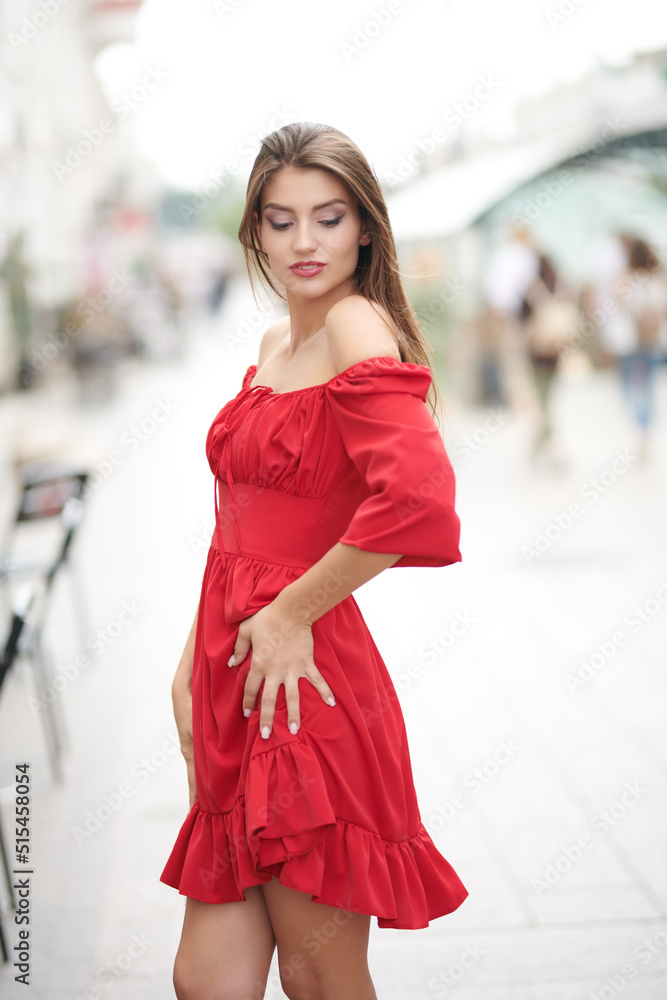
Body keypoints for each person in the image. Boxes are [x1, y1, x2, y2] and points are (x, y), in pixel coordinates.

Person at [160, 122, 468, 1000]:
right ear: (254, 229)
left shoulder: (355, 325)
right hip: (234, 677)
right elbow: (236, 533)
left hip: (303, 687)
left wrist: (291, 612)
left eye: (328, 218)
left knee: (319, 976)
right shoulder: (270, 349)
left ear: (364, 227)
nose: (304, 243)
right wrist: (191, 664)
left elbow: (417, 500)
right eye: (281, 219)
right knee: (204, 981)